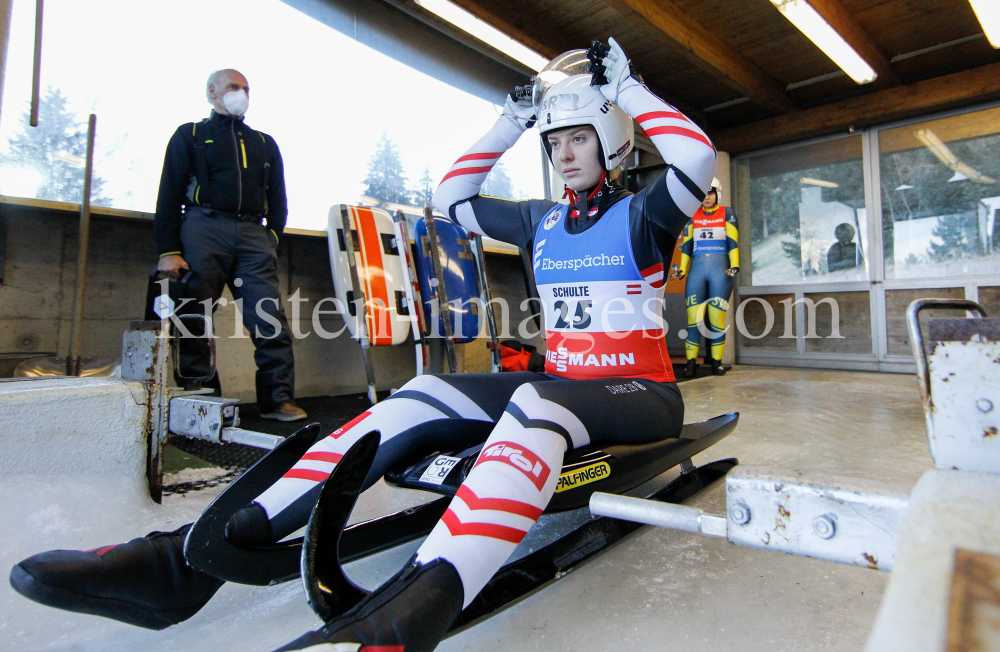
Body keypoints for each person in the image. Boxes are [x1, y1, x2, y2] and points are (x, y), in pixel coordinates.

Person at [10, 40, 715, 651]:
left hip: (639, 396)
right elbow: (453, 196)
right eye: (554, 143)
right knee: (423, 394)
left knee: (538, 404)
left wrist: (626, 88)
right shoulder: (541, 220)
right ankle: (182, 565)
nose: (563, 153)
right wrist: (514, 118)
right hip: (562, 382)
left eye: (578, 138)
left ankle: (420, 601)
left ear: (612, 138)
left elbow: (697, 154)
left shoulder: (647, 212)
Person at [154, 69, 305, 422]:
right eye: (233, 87)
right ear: (212, 93)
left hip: (254, 235)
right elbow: (168, 194)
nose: (241, 94)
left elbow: (278, 198)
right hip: (203, 227)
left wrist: (273, 238)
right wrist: (168, 250)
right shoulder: (191, 135)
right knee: (193, 314)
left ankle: (277, 400)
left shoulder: (264, 142)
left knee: (270, 318)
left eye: (246, 88)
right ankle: (201, 400)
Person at [675, 179, 738, 377]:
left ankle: (716, 363)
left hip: (721, 272)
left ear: (717, 193)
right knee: (694, 320)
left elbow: (733, 242)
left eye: (710, 193)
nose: (706, 197)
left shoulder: (727, 213)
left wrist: (735, 265)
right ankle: (691, 363)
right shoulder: (692, 215)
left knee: (716, 318)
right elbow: (686, 245)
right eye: (703, 193)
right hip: (697, 272)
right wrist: (683, 268)